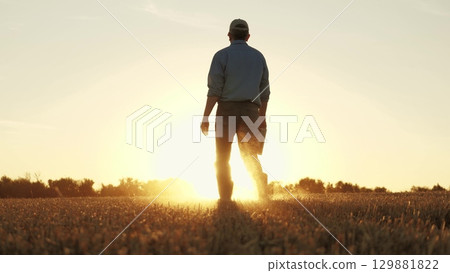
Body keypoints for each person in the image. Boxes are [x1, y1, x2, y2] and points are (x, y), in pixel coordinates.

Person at [201, 19, 271, 201]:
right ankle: (262, 193)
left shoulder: (221, 56)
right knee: (250, 155)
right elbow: (265, 92)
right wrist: (261, 117)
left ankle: (225, 197)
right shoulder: (258, 57)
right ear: (248, 36)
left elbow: (214, 90)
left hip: (226, 110)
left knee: (222, 157)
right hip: (251, 112)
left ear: (229, 35)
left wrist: (205, 117)